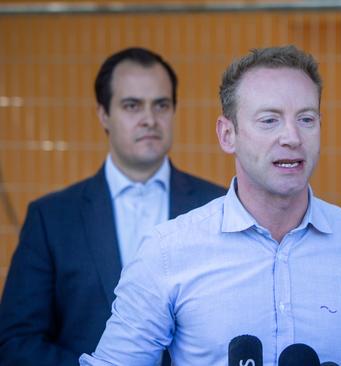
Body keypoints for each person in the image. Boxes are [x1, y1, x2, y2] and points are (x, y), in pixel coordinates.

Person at [79, 45, 341, 366]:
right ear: (227, 135)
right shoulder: (168, 252)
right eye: (269, 120)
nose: (292, 137)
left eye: (306, 119)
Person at [0, 47, 227, 366]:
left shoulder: (218, 207)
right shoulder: (52, 218)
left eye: (161, 105)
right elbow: (17, 342)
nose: (149, 119)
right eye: (132, 105)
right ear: (103, 114)